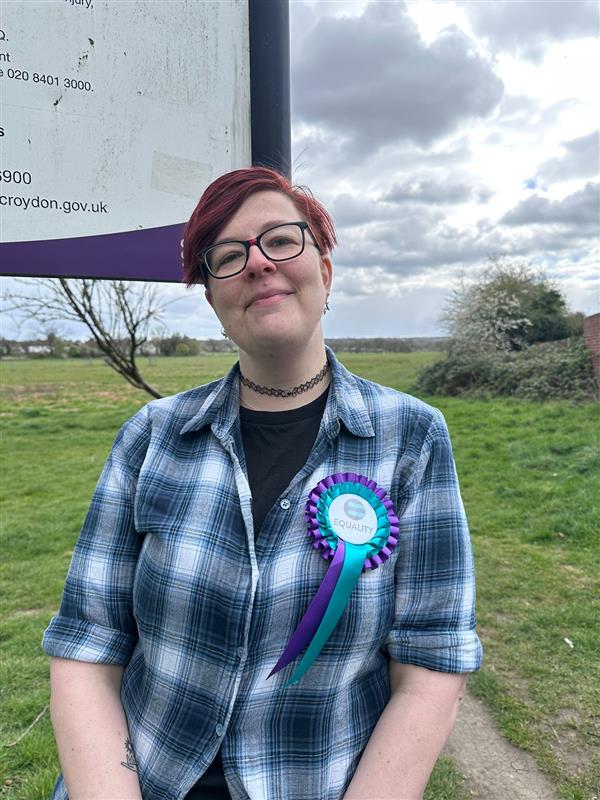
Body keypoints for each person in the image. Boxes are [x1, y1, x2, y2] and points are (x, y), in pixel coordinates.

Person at [42, 166, 483, 800]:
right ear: (215, 301)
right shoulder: (151, 435)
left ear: (324, 272)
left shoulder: (412, 437)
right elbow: (88, 642)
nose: (257, 264)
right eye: (227, 257)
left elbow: (431, 662)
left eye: (281, 240)